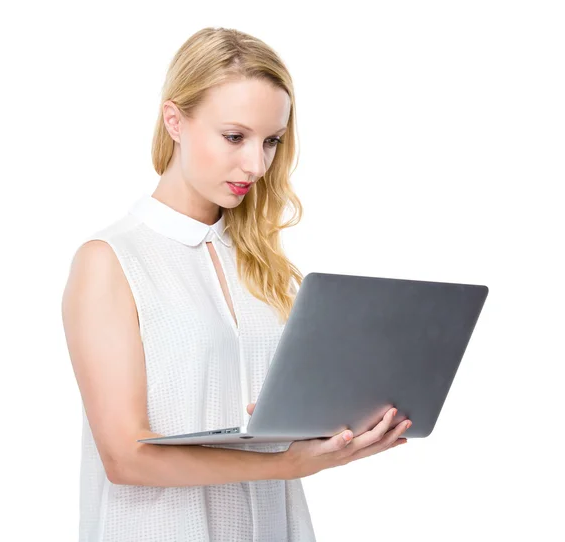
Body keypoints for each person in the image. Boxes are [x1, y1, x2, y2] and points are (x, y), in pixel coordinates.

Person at [61, 26, 411, 542]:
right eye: (235, 137)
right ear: (175, 120)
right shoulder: (111, 261)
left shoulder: (257, 262)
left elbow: (261, 421)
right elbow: (126, 456)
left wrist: (331, 425)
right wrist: (286, 464)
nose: (256, 164)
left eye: (271, 141)